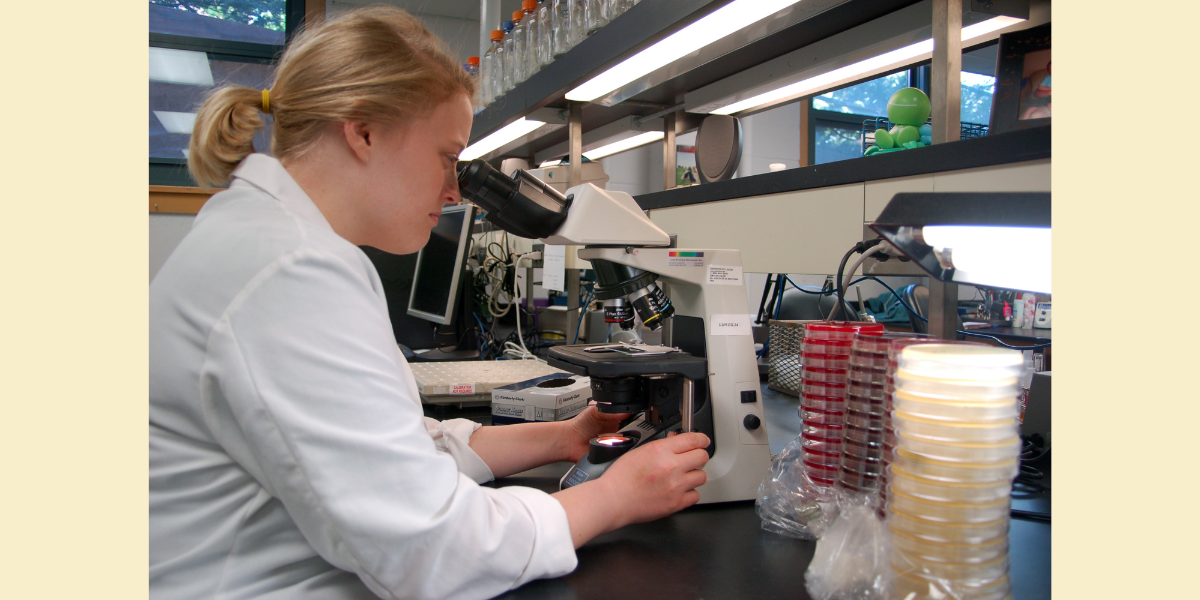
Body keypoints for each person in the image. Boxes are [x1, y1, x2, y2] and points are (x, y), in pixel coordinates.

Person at [149, 7, 710, 600]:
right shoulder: (288, 272)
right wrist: (612, 497)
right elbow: (433, 549)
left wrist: (564, 437)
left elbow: (396, 452)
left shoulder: (278, 243)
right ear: (362, 130)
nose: (451, 190)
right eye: (447, 155)